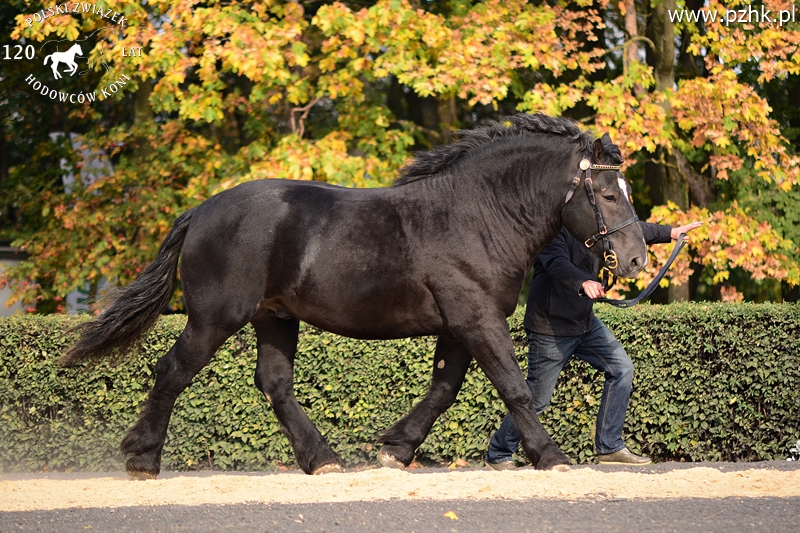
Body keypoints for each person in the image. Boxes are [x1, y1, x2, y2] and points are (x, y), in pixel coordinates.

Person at [485, 220, 703, 468]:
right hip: (550, 327)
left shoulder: (594, 225)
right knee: (537, 398)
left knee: (622, 369)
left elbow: (627, 227)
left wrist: (670, 233)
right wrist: (583, 282)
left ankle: (610, 447)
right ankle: (499, 453)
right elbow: (556, 262)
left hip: (585, 323)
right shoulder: (551, 228)